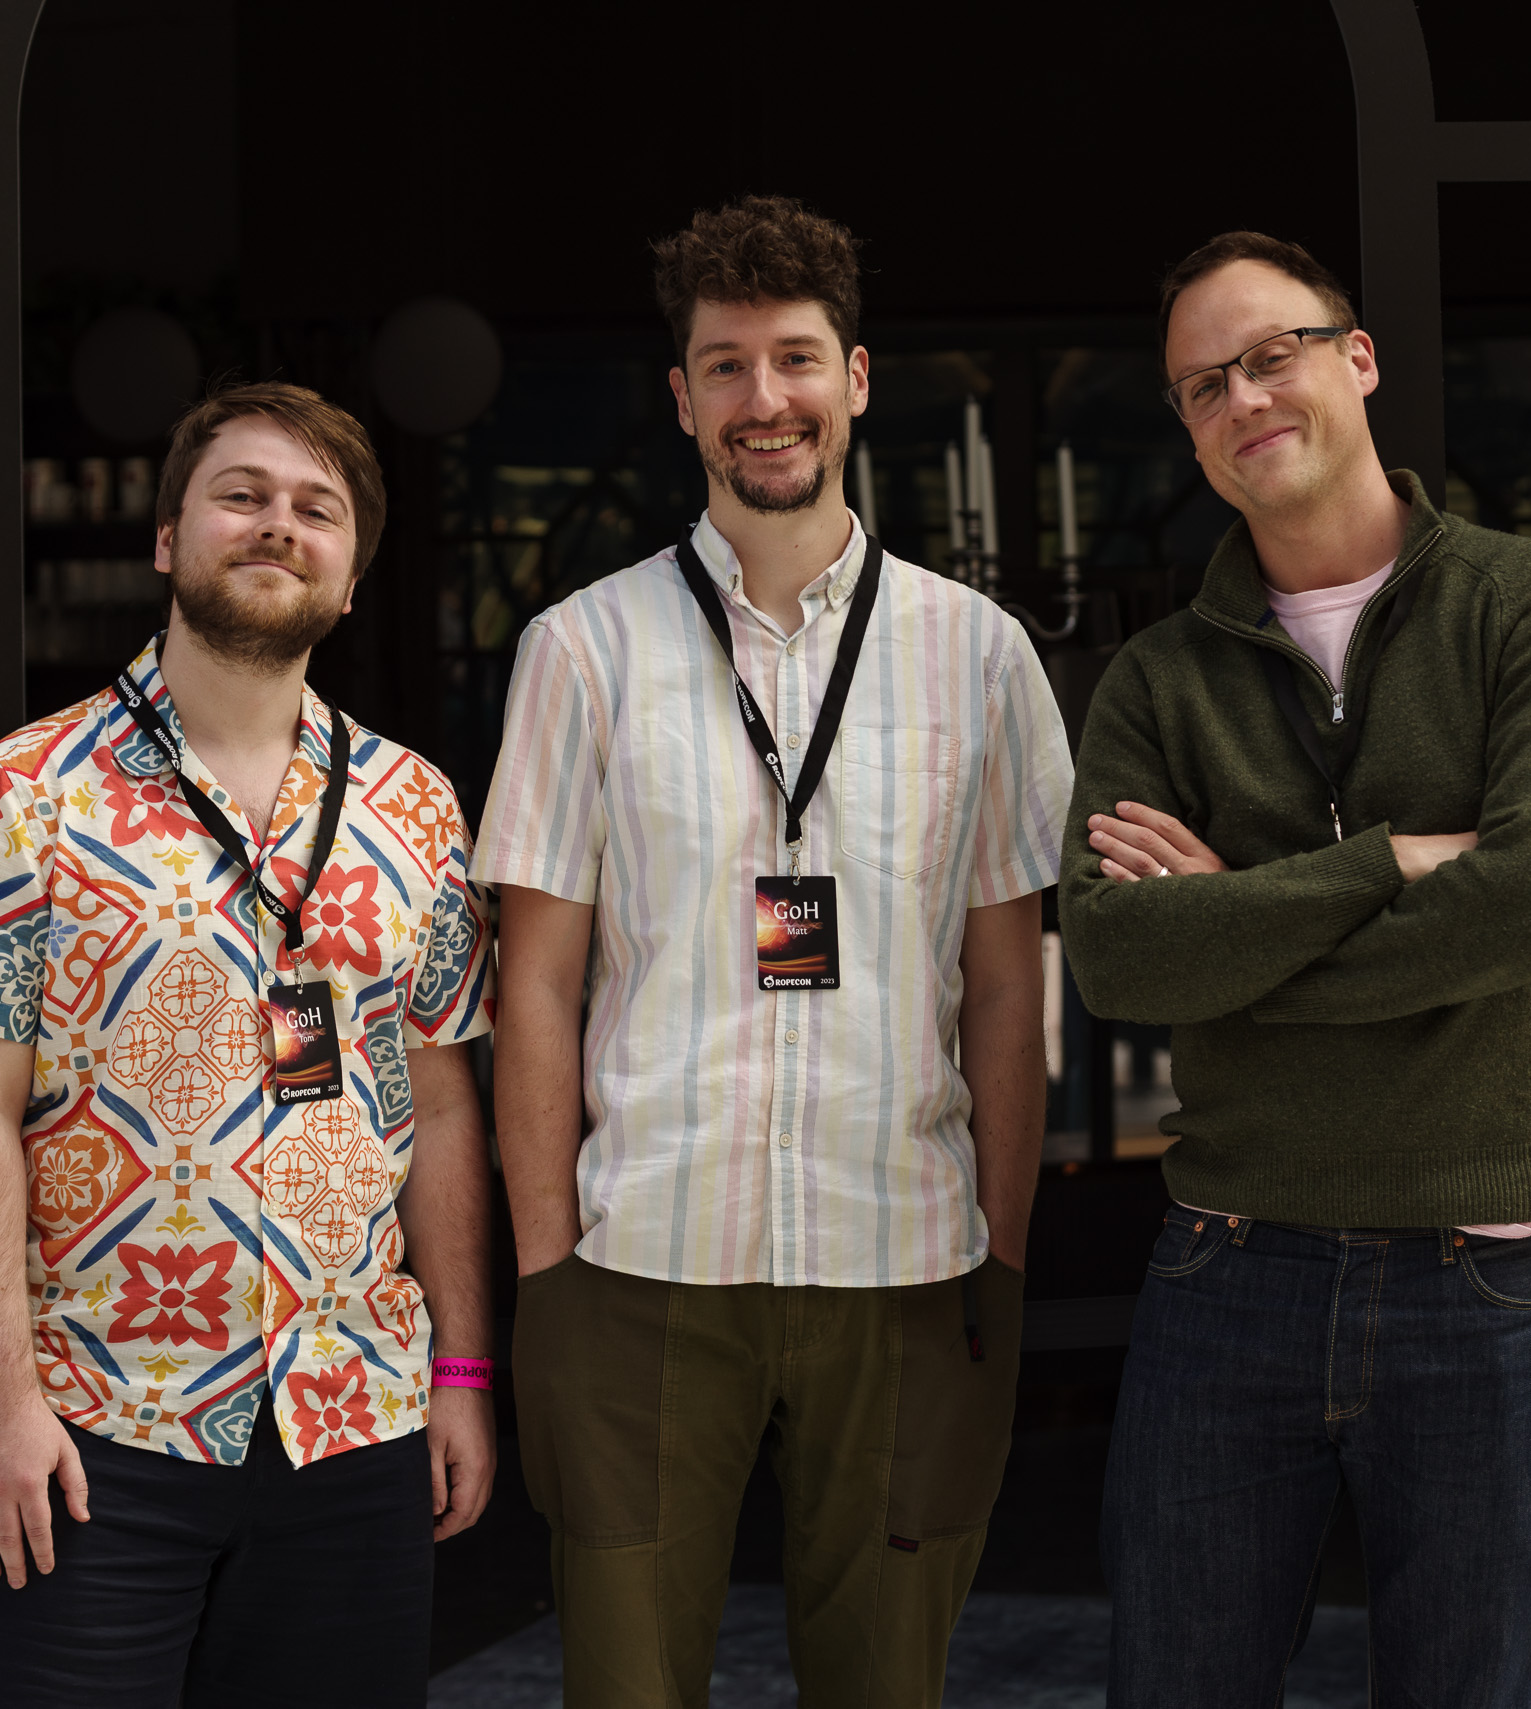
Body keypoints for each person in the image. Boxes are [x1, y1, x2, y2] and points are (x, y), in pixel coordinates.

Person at [474, 194, 1073, 1709]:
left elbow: (1011, 985)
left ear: (855, 379)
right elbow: (535, 983)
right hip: (638, 1265)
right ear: (681, 399)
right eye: (725, 365)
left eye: (796, 358)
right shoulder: (580, 649)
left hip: (909, 1259)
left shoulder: (980, 655)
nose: (765, 399)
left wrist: (1002, 1257)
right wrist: (547, 1274)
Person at [1060, 232, 1531, 1706]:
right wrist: (1392, 862)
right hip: (1230, 1259)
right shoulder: (1157, 679)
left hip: (1488, 1264)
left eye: (1272, 357)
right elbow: (1120, 956)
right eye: (1203, 386)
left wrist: (1238, 929)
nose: (1243, 399)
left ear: (1358, 358)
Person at [0, 381, 497, 1708]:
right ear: (168, 538)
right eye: (243, 494)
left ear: (351, 578)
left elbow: (445, 1103)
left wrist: (461, 1373)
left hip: (356, 1417)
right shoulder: (21, 789)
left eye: (317, 509)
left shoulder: (416, 805)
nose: (278, 524)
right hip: (96, 1427)